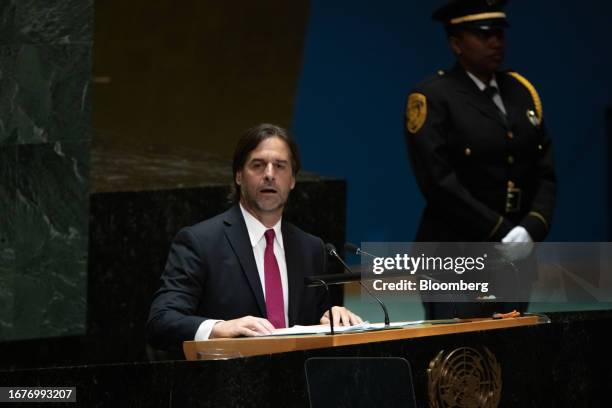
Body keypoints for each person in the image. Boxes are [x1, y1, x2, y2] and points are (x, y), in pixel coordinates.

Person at [147, 124, 361, 350]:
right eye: (258, 165)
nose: (269, 174)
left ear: (292, 180)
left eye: (280, 166)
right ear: (239, 176)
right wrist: (218, 328)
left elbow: (315, 325)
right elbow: (161, 321)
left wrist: (332, 317)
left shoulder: (311, 248)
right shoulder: (200, 242)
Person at [404, 0, 556, 319]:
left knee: (510, 355)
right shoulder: (433, 96)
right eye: (482, 34)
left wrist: (530, 228)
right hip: (455, 254)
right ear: (456, 43)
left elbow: (544, 172)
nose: (495, 42)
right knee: (457, 360)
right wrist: (501, 231)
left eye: (499, 34)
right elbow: (439, 183)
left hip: (516, 256)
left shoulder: (522, 91)